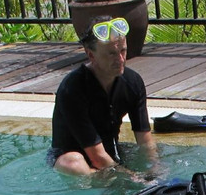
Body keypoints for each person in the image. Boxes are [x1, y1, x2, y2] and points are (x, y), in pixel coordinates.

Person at [47, 15, 159, 177]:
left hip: (107, 151)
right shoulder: (72, 88)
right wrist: (134, 180)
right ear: (91, 55)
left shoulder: (132, 82)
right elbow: (97, 157)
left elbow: (145, 141)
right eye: (111, 54)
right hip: (71, 155)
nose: (120, 59)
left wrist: (154, 173)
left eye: (123, 51)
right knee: (75, 163)